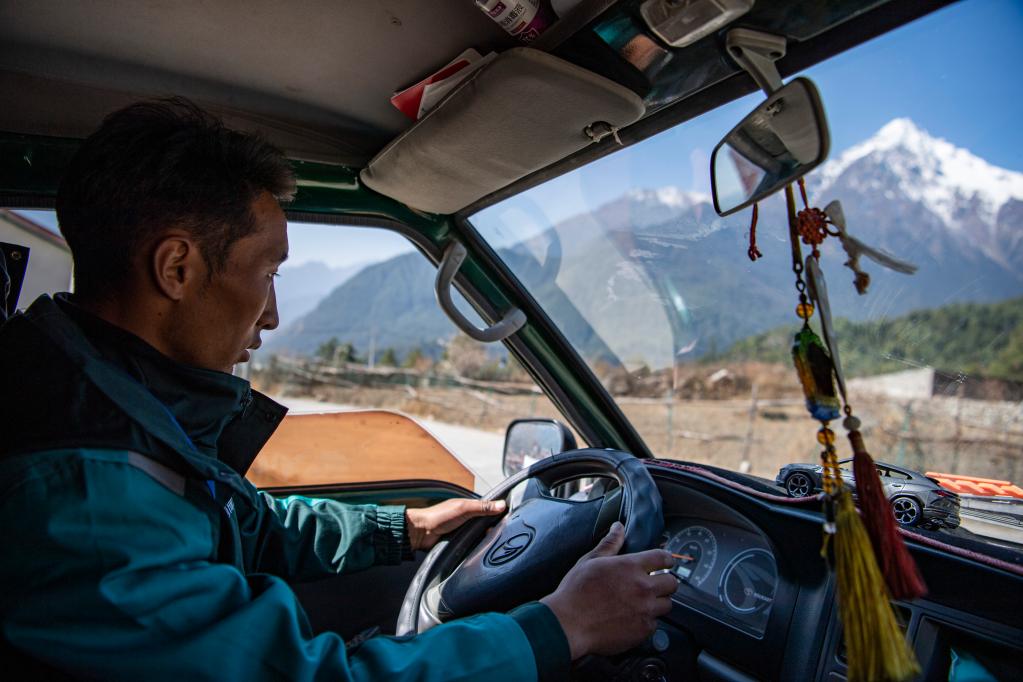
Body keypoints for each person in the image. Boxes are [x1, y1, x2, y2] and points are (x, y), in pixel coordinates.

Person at [0, 99, 677, 680]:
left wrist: (404, 527)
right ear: (176, 268)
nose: (271, 315)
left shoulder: (116, 407)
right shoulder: (85, 496)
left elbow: (242, 521)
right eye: (268, 274)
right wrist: (562, 627)